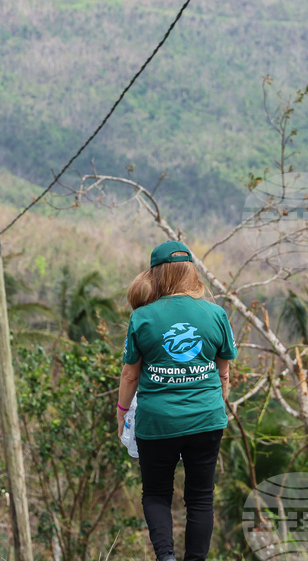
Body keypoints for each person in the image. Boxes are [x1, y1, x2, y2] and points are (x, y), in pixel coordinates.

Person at [116, 240, 237, 561]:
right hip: (206, 420)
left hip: (157, 422)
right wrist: (214, 403)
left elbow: (130, 376)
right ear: (190, 273)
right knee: (200, 498)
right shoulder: (215, 314)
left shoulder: (143, 317)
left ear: (156, 275)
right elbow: (224, 373)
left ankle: (166, 557)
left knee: (156, 493)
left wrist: (121, 413)